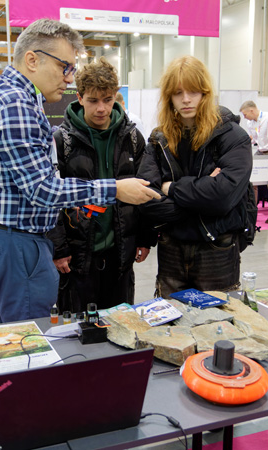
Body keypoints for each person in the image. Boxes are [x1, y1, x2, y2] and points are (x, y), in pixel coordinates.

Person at [0, 19, 159, 325]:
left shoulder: (7, 97)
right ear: (32, 59)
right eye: (64, 67)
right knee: (27, 337)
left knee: (6, 330)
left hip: (6, 236)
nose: (68, 78)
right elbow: (43, 189)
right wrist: (116, 189)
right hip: (16, 240)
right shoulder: (15, 105)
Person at [136, 55, 252, 299]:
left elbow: (223, 197)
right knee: (171, 329)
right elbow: (146, 201)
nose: (186, 99)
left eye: (193, 91)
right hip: (171, 250)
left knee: (219, 325)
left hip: (216, 250)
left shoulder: (232, 137)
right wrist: (202, 197)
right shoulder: (159, 139)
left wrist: (170, 189)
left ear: (205, 93)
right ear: (169, 97)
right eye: (178, 93)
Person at [46, 57, 154, 314]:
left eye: (107, 100)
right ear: (80, 97)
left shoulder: (133, 138)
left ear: (115, 96)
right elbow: (50, 197)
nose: (101, 108)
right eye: (93, 100)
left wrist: (146, 237)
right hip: (77, 256)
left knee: (121, 325)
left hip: (121, 254)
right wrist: (58, 248)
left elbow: (148, 189)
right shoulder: (62, 140)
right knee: (76, 332)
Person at [240, 100, 268, 223]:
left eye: (245, 114)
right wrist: (249, 140)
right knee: (253, 183)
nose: (245, 117)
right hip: (260, 152)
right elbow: (255, 139)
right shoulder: (249, 123)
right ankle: (253, 210)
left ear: (251, 110)